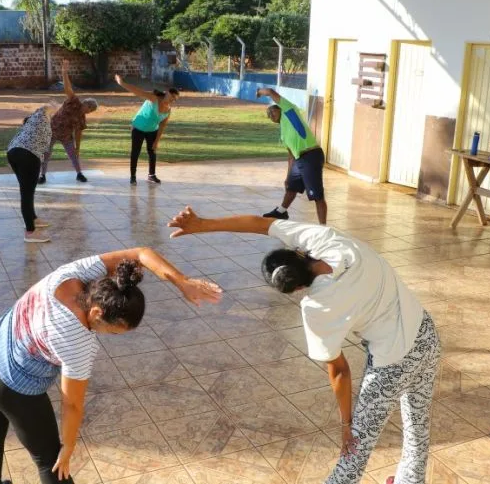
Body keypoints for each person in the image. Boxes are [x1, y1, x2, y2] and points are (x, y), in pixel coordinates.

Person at [168, 207, 441, 484]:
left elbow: (339, 371)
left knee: (354, 454)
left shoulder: (318, 307)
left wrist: (348, 425)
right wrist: (202, 223)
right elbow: (261, 224)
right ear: (297, 252)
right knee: (417, 427)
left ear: (295, 289)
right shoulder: (326, 240)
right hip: (426, 335)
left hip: (391, 365)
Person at [0, 248, 222, 484]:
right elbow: (72, 404)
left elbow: (142, 253)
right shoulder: (77, 339)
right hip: (10, 383)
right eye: (113, 332)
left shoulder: (75, 275)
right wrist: (67, 446)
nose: (109, 336)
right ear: (98, 313)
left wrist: (183, 281)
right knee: (51, 461)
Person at [256, 88, 328, 225]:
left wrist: (260, 91)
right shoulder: (283, 134)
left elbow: (271, 92)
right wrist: (288, 176)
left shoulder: (289, 111)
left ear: (280, 108)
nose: (270, 114)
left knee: (317, 195)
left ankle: (323, 227)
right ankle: (281, 212)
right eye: (268, 115)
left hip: (311, 155)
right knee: (291, 187)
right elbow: (291, 155)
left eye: (272, 110)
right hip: (299, 159)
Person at [39, 60, 99, 184]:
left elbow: (78, 133)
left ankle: (79, 174)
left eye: (91, 111)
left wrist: (78, 148)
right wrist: (64, 72)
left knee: (73, 156)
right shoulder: (74, 100)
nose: (90, 112)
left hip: (66, 136)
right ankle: (42, 175)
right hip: (52, 130)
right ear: (86, 104)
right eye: (90, 109)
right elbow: (67, 88)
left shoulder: (82, 118)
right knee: (46, 154)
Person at [114, 74, 178, 185]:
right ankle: (133, 176)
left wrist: (157, 141)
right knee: (135, 152)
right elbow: (138, 91)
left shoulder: (168, 110)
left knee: (152, 152)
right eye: (172, 97)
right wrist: (122, 83)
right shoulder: (154, 98)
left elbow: (162, 126)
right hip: (138, 128)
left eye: (175, 99)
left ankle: (151, 175)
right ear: (167, 93)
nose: (172, 100)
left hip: (152, 130)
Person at [8, 105, 57, 243]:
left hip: (13, 152)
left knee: (27, 191)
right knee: (27, 194)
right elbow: (45, 147)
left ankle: (33, 218)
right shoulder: (43, 120)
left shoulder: (32, 120)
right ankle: (30, 232)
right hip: (28, 155)